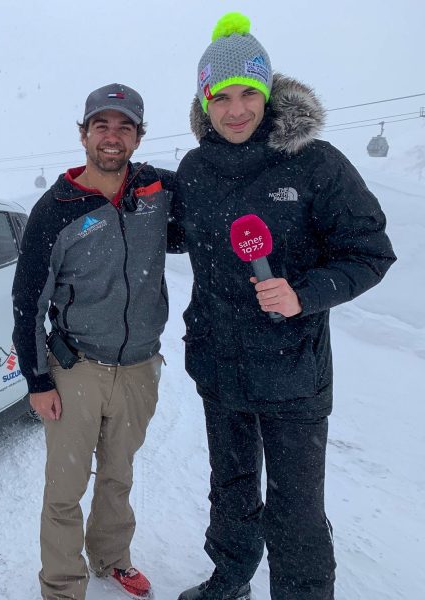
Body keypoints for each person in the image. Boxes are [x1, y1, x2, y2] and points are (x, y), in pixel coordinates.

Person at [171, 12, 396, 600]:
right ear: (205, 102)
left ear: (269, 93)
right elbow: (171, 229)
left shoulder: (315, 162)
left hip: (293, 371)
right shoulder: (195, 170)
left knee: (295, 509)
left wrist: (306, 294)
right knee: (232, 487)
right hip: (219, 367)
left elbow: (370, 251)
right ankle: (231, 577)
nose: (236, 109)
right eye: (221, 97)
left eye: (248, 92)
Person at [12, 83, 175, 600]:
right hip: (76, 369)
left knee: (117, 477)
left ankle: (110, 558)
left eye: (124, 126)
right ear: (83, 134)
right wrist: (38, 380)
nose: (112, 136)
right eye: (101, 125)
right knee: (64, 491)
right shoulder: (55, 208)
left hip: (139, 368)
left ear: (138, 137)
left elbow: (220, 197)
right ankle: (62, 587)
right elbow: (27, 302)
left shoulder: (156, 192)